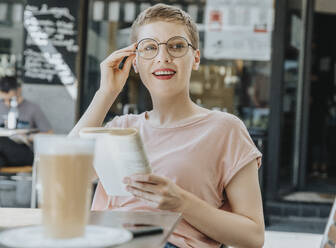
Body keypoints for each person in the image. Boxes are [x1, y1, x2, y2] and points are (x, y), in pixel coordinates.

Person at [70, 4, 264, 248]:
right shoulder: (121, 127)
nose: (163, 57)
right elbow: (66, 174)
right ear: (136, 63)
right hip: (106, 239)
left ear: (195, 58)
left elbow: (254, 237)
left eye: (176, 46)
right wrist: (106, 93)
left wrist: (181, 202)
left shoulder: (225, 129)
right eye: (150, 47)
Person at [0, 76, 52, 167]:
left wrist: (28, 137)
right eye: (3, 100)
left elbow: (49, 134)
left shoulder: (32, 108)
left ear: (19, 90)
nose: (7, 103)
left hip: (24, 151)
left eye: (11, 99)